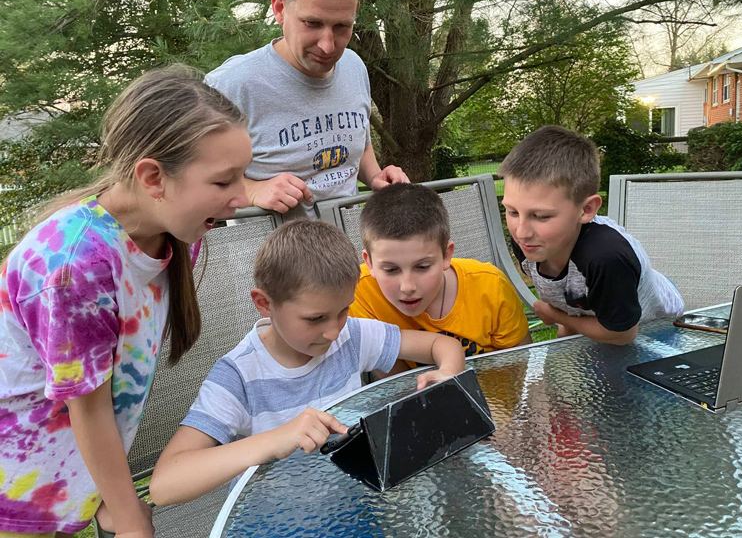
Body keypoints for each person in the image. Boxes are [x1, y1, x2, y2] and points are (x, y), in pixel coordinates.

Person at [0, 66, 252, 538]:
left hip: (79, 476)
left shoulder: (174, 233)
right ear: (153, 176)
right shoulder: (77, 265)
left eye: (244, 176)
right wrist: (130, 513)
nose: (241, 196)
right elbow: (88, 407)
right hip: (20, 487)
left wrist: (109, 499)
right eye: (224, 182)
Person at [148, 219, 464, 505]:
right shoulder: (240, 375)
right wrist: (276, 439)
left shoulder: (351, 335)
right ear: (264, 304)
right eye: (315, 318)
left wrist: (447, 373)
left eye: (343, 310)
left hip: (354, 503)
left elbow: (442, 344)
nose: (332, 331)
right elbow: (165, 484)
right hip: (278, 520)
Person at [206, 0, 408, 218]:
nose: (327, 45)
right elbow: (194, 179)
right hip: (270, 256)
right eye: (312, 24)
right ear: (279, 7)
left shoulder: (353, 67)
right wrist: (253, 190)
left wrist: (375, 176)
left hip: (347, 249)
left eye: (341, 27)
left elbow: (360, 144)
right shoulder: (230, 85)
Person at [498, 125, 684, 345]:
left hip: (657, 326)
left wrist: (555, 315)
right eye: (512, 212)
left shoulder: (606, 258)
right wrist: (565, 325)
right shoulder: (531, 242)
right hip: (600, 314)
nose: (521, 232)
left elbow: (622, 335)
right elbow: (566, 296)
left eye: (541, 216)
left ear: (586, 210)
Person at [349, 183, 531, 377]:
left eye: (422, 267)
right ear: (369, 262)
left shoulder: (490, 285)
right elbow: (398, 385)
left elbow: (522, 366)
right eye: (391, 269)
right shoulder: (358, 293)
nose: (408, 286)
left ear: (446, 255)